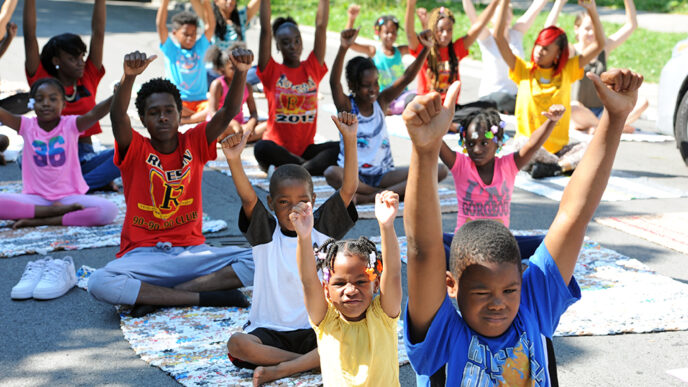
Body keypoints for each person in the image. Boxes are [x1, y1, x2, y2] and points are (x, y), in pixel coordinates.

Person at [402, 64, 644, 384]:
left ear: (523, 280)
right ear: (451, 286)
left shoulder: (532, 307)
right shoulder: (442, 335)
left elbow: (574, 215)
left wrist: (614, 119)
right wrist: (424, 150)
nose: (498, 303)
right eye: (481, 292)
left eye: (510, 289)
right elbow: (422, 249)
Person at [87, 49, 255, 315]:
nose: (163, 117)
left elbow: (227, 112)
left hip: (191, 253)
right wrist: (129, 77)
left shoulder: (195, 142)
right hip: (143, 256)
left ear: (180, 114)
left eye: (169, 111)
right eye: (154, 112)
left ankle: (161, 297)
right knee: (98, 282)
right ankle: (199, 296)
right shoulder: (135, 148)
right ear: (143, 119)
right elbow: (118, 118)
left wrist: (242, 71)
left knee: (259, 260)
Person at [223, 112, 358, 385]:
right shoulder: (265, 233)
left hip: (315, 329)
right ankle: (306, 364)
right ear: (271, 204)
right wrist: (233, 159)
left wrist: (350, 139)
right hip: (270, 332)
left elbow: (349, 187)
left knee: (354, 336)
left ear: (314, 200)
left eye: (302, 200)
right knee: (237, 344)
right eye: (284, 202)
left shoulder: (322, 227)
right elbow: (248, 198)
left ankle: (283, 368)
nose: (294, 207)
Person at [290, 190, 402, 385]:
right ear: (326, 290)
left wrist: (386, 226)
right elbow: (308, 280)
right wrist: (303, 237)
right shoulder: (326, 320)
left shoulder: (383, 316)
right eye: (340, 283)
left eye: (361, 282)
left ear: (376, 284)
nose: (350, 290)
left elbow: (392, 273)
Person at [326, 27, 447, 204]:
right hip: (353, 176)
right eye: (367, 85)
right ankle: (383, 194)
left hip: (384, 175)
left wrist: (426, 49)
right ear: (353, 85)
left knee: (439, 170)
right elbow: (334, 83)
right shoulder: (346, 107)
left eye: (376, 83)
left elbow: (406, 77)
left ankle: (368, 197)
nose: (373, 89)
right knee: (331, 173)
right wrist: (344, 47)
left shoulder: (381, 102)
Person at [494, 0, 605, 178]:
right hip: (528, 149)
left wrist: (592, 9)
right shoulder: (523, 70)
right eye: (538, 45)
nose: (538, 51)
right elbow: (498, 38)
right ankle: (559, 167)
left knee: (593, 147)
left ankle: (554, 167)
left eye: (545, 49)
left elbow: (599, 44)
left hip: (558, 151)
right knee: (522, 144)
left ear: (558, 54)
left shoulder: (568, 70)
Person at [440, 105, 566, 259]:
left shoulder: (509, 165)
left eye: (484, 143)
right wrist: (432, 123)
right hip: (466, 244)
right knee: (436, 241)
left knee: (550, 242)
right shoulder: (460, 164)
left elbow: (532, 144)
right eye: (471, 144)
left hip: (499, 245)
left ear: (498, 142)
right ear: (464, 143)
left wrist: (551, 121)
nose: (477, 150)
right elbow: (435, 141)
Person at [23, 0, 119, 192]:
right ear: (57, 61)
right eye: (73, 58)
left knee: (126, 151)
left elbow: (98, 33)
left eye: (82, 56)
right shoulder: (42, 80)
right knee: (22, 159)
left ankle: (74, 185)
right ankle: (88, 183)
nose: (80, 62)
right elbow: (29, 36)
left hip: (84, 155)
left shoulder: (88, 76)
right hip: (51, 156)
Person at [0, 78, 117, 228]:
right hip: (35, 199)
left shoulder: (71, 125)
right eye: (40, 99)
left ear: (64, 104)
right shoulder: (26, 125)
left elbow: (95, 114)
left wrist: (116, 94)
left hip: (69, 198)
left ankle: (44, 218)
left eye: (53, 99)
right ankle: (52, 211)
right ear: (32, 104)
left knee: (109, 210)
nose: (46, 103)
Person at [253, 0, 340, 176]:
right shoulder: (271, 70)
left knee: (342, 147)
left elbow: (321, 27)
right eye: (286, 42)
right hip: (276, 148)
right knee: (261, 148)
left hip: (306, 149)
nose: (293, 46)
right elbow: (265, 30)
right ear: (277, 46)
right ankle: (307, 168)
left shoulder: (312, 67)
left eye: (296, 40)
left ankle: (297, 169)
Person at [549, 0, 646, 134]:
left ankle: (598, 126)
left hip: (601, 110)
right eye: (587, 28)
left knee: (643, 102)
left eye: (594, 28)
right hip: (578, 111)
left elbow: (631, 25)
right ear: (577, 29)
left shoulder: (603, 49)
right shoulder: (571, 51)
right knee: (573, 107)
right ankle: (609, 127)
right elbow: (549, 33)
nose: (591, 33)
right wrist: (559, 3)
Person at [462, 0, 549, 114]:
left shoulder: (516, 33)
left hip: (515, 96)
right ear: (491, 18)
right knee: (509, 99)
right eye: (500, 13)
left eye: (508, 13)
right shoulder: (487, 38)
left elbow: (536, 6)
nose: (505, 16)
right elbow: (472, 16)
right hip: (491, 97)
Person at [404, 0, 499, 103]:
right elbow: (410, 35)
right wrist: (411, 4)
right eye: (441, 30)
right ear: (433, 29)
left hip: (450, 109)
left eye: (449, 30)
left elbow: (479, 26)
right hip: (428, 108)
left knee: (487, 106)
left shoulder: (456, 49)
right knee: (410, 100)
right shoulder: (425, 49)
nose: (445, 34)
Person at [345, 5, 413, 115]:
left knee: (415, 98)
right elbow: (349, 44)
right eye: (386, 32)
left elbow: (417, 47)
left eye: (393, 32)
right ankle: (389, 109)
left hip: (401, 94)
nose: (390, 35)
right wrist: (351, 19)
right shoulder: (373, 51)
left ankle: (394, 109)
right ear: (379, 33)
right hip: (382, 96)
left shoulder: (400, 51)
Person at [157, 0, 215, 125]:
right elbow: (161, 26)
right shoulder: (171, 50)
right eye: (185, 34)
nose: (190, 38)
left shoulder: (200, 48)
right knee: (167, 107)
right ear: (174, 33)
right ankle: (195, 118)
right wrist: (165, 3)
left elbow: (210, 27)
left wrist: (207, 4)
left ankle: (186, 120)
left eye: (193, 34)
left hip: (201, 102)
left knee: (215, 108)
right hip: (179, 102)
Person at [206, 45, 265, 143]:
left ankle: (238, 138)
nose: (238, 70)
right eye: (233, 68)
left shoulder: (247, 86)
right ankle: (240, 138)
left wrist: (250, 125)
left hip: (241, 125)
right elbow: (213, 112)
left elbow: (254, 112)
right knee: (222, 131)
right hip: (222, 125)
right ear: (222, 70)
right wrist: (233, 124)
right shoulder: (218, 85)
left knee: (270, 124)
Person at [203, 0, 262, 88]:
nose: (230, 1)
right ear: (216, 1)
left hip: (238, 69)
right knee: (204, 74)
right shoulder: (211, 20)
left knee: (260, 70)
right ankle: (234, 84)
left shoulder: (241, 17)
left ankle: (230, 84)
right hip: (217, 70)